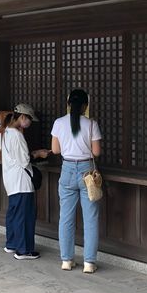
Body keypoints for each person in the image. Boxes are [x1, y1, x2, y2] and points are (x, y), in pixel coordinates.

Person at [51, 89, 102, 273]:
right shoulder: (91, 124)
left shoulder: (58, 123)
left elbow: (55, 150)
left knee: (65, 217)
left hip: (66, 170)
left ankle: (66, 260)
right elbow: (96, 152)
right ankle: (89, 262)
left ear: (68, 103)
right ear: (85, 106)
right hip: (86, 171)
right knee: (90, 218)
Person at [2, 103, 50, 260]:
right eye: (29, 119)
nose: (30, 122)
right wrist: (39, 154)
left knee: (14, 214)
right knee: (25, 216)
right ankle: (23, 250)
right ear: (22, 117)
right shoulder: (17, 135)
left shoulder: (7, 132)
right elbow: (24, 160)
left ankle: (12, 243)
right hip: (21, 182)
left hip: (11, 180)